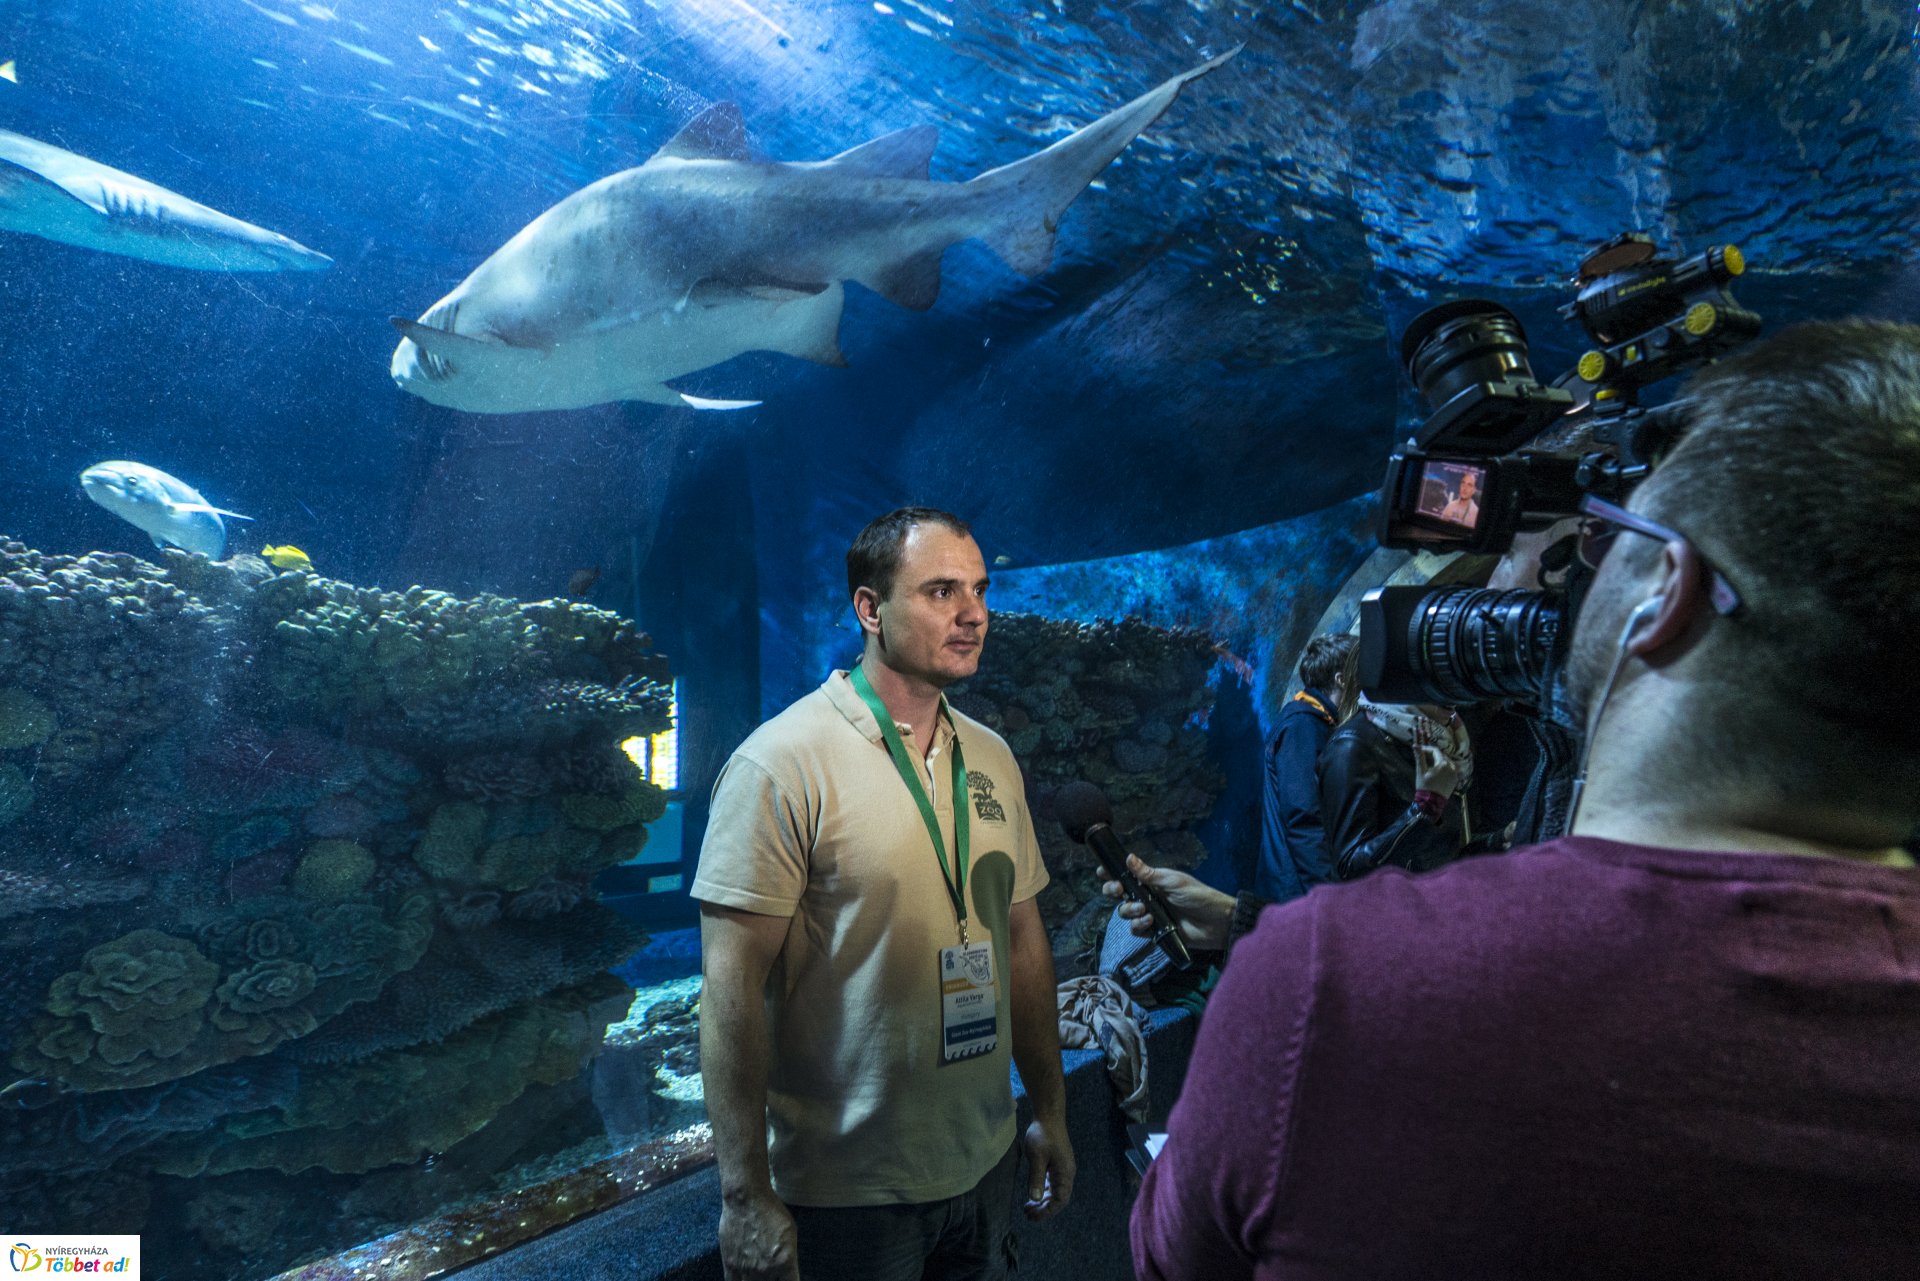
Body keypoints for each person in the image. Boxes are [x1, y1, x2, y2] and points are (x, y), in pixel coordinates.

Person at [1123, 321, 1920, 1278]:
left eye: (1604, 540)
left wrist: (1278, 962)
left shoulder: (1325, 986)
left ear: (1666, 590)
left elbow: (1173, 1257)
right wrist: (1250, 921)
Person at [694, 507, 1073, 1281]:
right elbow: (729, 986)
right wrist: (744, 1196)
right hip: (847, 1196)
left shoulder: (993, 757)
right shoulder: (781, 764)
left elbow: (1025, 941)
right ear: (870, 609)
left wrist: (1051, 1111)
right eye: (940, 591)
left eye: (979, 589)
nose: (973, 613)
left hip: (987, 1158)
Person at [1318, 687, 1472, 880]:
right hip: (1395, 909)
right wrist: (1425, 809)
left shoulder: (1442, 740)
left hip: (1437, 903)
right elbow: (1352, 870)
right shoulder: (1352, 744)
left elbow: (1437, 858)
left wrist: (1496, 843)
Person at [1253, 632, 1356, 901]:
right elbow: (1304, 819)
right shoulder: (1302, 726)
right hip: (1295, 894)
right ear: (1341, 679)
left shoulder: (1316, 723)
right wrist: (1331, 898)